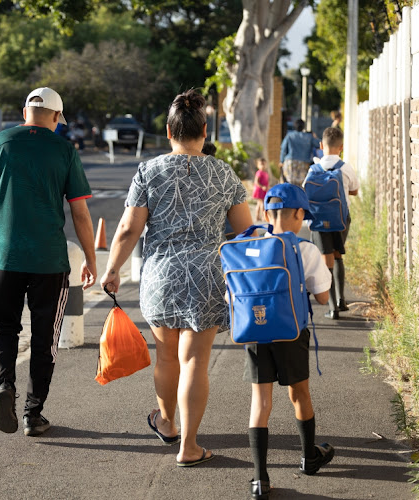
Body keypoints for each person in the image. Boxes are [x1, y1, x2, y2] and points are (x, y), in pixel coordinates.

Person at [99, 89, 253, 467]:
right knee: (195, 363)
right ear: (204, 130)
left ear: (169, 132)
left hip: (161, 276)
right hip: (208, 277)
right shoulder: (223, 172)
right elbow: (246, 232)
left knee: (166, 356)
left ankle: (167, 423)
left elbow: (127, 230)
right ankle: (190, 445)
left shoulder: (148, 170)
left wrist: (113, 268)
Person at [0, 87, 97, 437]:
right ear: (57, 118)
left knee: (4, 329)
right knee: (45, 338)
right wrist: (90, 259)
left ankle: (4, 387)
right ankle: (33, 413)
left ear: (24, 112)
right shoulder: (64, 150)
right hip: (49, 260)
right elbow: (80, 213)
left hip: (2, 257)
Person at [243, 183, 333, 500]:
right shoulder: (305, 249)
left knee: (261, 403)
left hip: (255, 332)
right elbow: (323, 298)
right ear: (297, 213)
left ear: (267, 213)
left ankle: (259, 480)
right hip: (291, 331)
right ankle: (309, 457)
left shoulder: (250, 248)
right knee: (300, 394)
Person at [305, 126, 360, 319]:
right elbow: (354, 190)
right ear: (341, 147)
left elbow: (306, 191)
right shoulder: (345, 167)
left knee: (325, 261)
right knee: (338, 256)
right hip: (341, 219)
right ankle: (341, 300)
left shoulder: (313, 169)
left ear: (321, 145)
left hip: (319, 220)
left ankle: (332, 308)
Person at [279, 119, 320, 187]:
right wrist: (315, 137)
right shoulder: (309, 137)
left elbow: (283, 149)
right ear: (303, 127)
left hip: (290, 162)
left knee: (290, 184)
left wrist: (281, 161)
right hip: (304, 163)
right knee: (301, 185)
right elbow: (319, 144)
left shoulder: (289, 136)